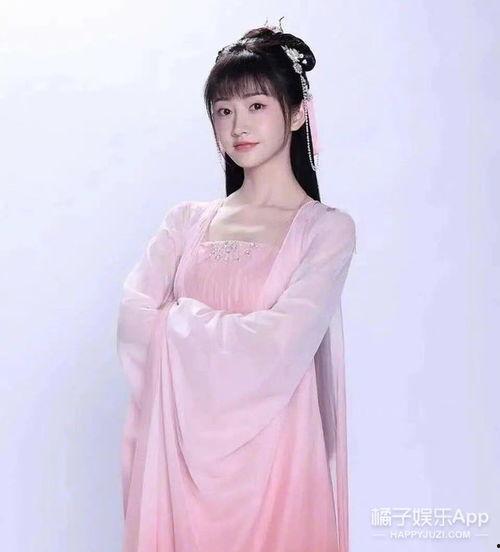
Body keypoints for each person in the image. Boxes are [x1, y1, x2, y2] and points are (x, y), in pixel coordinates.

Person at [117, 21, 356, 552]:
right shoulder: (185, 222)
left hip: (277, 465)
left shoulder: (325, 231)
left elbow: (281, 342)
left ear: (298, 113)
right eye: (223, 111)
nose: (238, 125)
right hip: (177, 463)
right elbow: (135, 317)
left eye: (256, 105)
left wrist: (177, 319)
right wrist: (209, 328)